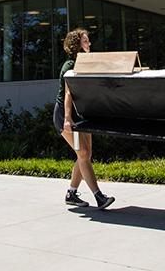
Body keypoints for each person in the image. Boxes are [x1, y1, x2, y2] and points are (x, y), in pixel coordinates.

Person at [54, 28, 115, 210]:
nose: (89, 44)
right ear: (77, 45)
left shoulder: (86, 64)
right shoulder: (70, 65)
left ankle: (72, 193)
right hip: (66, 116)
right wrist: (67, 119)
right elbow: (68, 94)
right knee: (82, 154)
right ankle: (99, 197)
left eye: (88, 41)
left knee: (85, 155)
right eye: (86, 41)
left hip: (82, 115)